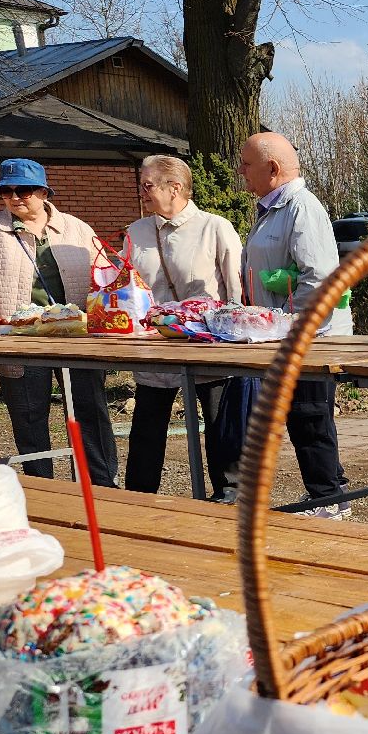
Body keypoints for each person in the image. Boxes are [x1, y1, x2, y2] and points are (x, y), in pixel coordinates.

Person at [0, 158, 117, 485]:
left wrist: (107, 316)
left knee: (90, 414)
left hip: (77, 338)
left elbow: (106, 275)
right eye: (5, 191)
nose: (14, 197)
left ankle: (103, 487)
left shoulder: (76, 227)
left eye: (22, 189)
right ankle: (43, 488)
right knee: (28, 417)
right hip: (19, 339)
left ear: (43, 191)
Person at [237, 132, 349, 518]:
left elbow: (318, 278)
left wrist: (289, 325)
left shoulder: (301, 208)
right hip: (285, 333)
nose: (241, 171)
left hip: (308, 337)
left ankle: (328, 499)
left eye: (247, 164)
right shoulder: (273, 208)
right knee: (305, 415)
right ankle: (330, 491)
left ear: (272, 168)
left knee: (309, 414)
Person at [122, 154, 245, 500]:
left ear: (174, 187)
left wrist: (235, 339)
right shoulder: (136, 231)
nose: (142, 192)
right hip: (153, 347)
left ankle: (229, 496)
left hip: (208, 344)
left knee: (220, 425)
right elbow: (126, 287)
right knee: (147, 426)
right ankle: (138, 499)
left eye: (147, 185)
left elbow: (237, 290)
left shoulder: (214, 227)